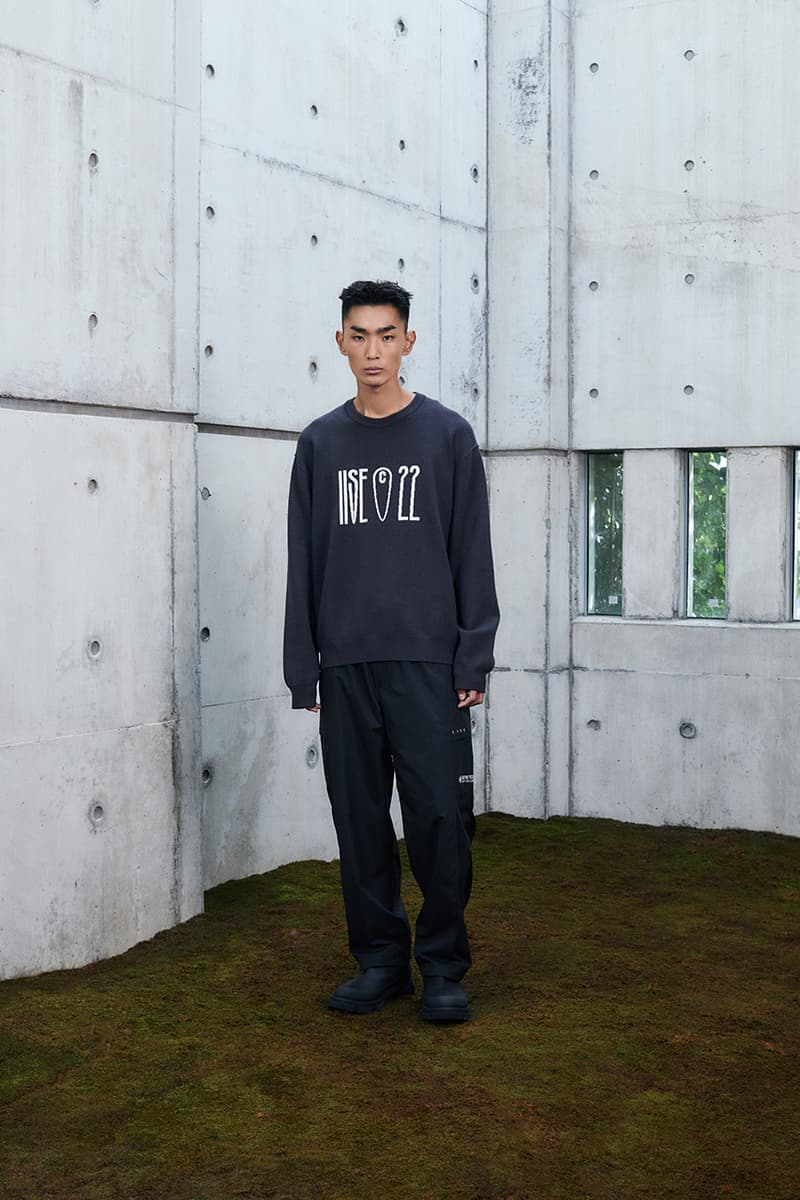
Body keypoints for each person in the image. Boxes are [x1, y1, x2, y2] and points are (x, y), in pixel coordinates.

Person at [283, 279, 499, 1023]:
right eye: (358, 335)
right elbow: (303, 560)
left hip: (429, 666)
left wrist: (472, 656)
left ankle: (441, 966)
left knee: (440, 820)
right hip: (344, 666)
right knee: (360, 823)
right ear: (340, 343)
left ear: (408, 341)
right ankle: (379, 962)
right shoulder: (320, 444)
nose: (372, 350)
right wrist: (303, 666)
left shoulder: (447, 437)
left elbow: (472, 553)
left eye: (385, 335)